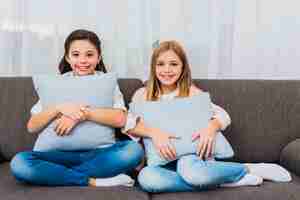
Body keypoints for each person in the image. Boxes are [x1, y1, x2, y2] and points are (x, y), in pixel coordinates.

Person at [124, 40, 291, 193]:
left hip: (190, 158)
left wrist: (210, 128)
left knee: (191, 171)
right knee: (147, 179)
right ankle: (221, 180)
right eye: (161, 64)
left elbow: (222, 115)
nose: (167, 70)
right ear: (153, 67)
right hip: (161, 162)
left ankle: (247, 169)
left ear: (183, 68)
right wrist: (154, 134)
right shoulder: (142, 95)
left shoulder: (191, 92)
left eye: (173, 64)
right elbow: (129, 125)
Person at [10, 29, 143, 187]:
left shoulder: (107, 82)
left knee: (133, 151)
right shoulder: (55, 83)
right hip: (56, 156)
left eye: (89, 54)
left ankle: (57, 175)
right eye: (76, 54)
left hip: (98, 155)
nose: (83, 60)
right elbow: (32, 126)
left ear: (98, 57)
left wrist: (80, 114)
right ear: (67, 57)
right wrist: (60, 108)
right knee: (19, 163)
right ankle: (92, 181)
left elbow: (121, 119)